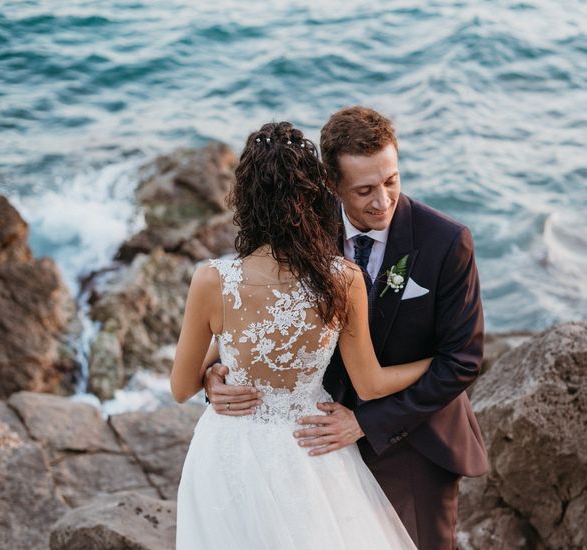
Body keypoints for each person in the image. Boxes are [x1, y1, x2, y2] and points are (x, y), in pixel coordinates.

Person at [204, 106, 489, 549]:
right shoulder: (302, 235)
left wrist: (366, 423)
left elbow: (463, 360)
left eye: (391, 181)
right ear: (333, 185)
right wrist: (216, 374)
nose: (383, 200)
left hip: (414, 439)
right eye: (365, 190)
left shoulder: (447, 242)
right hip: (319, 447)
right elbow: (260, 309)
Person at [170, 121, 424, 549]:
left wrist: (216, 367)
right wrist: (433, 363)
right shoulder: (343, 279)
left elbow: (180, 387)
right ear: (314, 198)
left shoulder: (212, 280)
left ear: (245, 200)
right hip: (310, 448)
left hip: (228, 454)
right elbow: (370, 383)